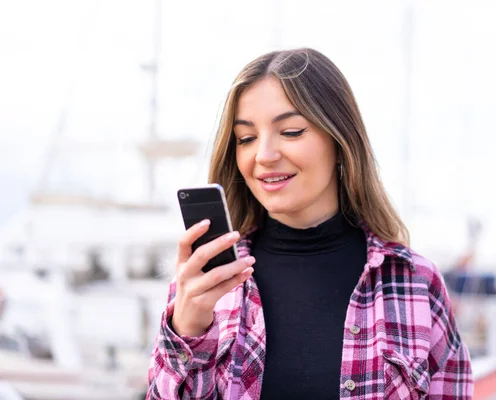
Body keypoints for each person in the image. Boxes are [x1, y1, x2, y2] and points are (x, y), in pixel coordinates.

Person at [146, 48, 473, 400]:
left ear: (339, 139)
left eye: (290, 131)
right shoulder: (209, 286)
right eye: (246, 138)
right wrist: (189, 331)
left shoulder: (414, 283)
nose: (264, 155)